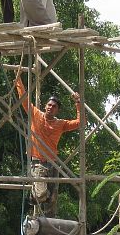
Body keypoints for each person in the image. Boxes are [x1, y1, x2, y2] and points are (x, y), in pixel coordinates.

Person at [15, 74, 81, 214]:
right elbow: (24, 99)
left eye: (54, 106)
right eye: (49, 105)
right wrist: (18, 80)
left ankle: (48, 228)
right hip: (38, 161)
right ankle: (33, 197)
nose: (51, 107)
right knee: (41, 194)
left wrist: (78, 104)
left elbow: (80, 123)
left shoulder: (60, 124)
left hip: (53, 163)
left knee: (52, 199)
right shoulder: (36, 114)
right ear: (45, 106)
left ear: (58, 110)